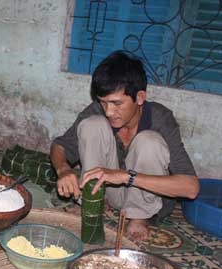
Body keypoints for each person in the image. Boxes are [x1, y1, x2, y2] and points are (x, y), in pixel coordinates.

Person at [50, 51, 199, 242]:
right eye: (104, 102)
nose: (109, 112)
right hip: (108, 189)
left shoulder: (160, 118)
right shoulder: (98, 111)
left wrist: (126, 176)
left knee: (149, 141)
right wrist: (63, 169)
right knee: (91, 124)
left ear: (140, 97)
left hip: (145, 194)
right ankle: (94, 201)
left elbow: (191, 188)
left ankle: (139, 217)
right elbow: (60, 146)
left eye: (117, 103)